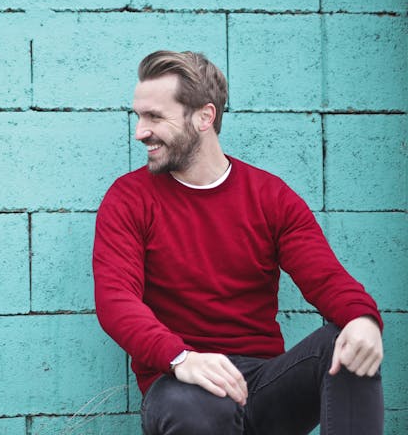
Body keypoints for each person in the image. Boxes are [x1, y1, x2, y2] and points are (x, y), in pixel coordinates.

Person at [92, 50, 384, 435]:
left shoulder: (270, 197)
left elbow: (325, 277)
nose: (140, 131)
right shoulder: (129, 198)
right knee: (192, 410)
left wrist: (363, 319)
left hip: (262, 383)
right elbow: (116, 300)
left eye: (155, 117)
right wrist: (181, 358)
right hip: (180, 383)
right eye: (139, 116)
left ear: (204, 117)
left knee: (347, 345)